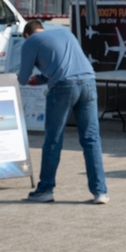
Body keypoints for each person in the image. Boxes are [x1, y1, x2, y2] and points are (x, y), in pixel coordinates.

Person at [18, 20, 108, 204]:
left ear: (27, 34)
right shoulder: (65, 33)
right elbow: (68, 64)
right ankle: (100, 192)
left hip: (63, 87)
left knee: (54, 139)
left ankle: (45, 190)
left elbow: (23, 78)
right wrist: (43, 78)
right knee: (91, 139)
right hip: (89, 82)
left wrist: (33, 78)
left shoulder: (30, 42)